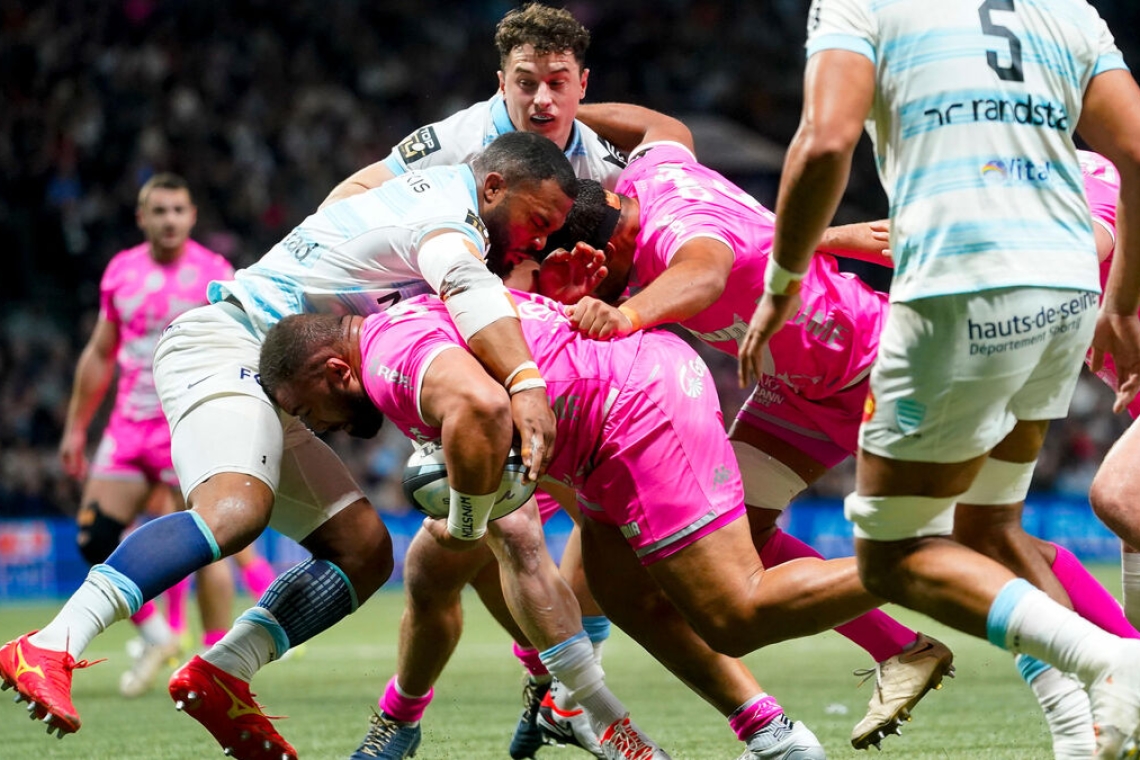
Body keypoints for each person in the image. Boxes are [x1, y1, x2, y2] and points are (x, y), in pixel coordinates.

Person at [0, 131, 572, 760]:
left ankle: (224, 671)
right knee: (234, 511)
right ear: (494, 187)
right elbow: (467, 286)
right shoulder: (447, 222)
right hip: (229, 344)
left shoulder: (423, 199)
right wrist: (526, 382)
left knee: (364, 552)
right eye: (538, 220)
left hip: (280, 372)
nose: (539, 239)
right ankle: (51, 642)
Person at [736, 1, 1140, 756]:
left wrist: (783, 279)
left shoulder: (861, 5)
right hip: (1064, 296)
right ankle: (1080, 734)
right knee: (989, 531)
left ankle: (1116, 658)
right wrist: (1118, 300)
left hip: (962, 291)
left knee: (894, 554)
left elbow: (824, 145)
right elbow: (1139, 150)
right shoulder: (1068, 10)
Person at [257, 292, 909, 760]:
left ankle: (920, 562)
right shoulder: (406, 319)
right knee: (625, 593)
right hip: (615, 414)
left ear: (332, 371)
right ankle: (771, 735)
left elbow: (482, 406)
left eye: (304, 410)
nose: (318, 426)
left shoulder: (388, 362)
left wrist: (463, 518)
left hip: (638, 413)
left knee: (734, 610)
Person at [534, 105, 953, 750]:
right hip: (800, 392)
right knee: (741, 545)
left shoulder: (680, 233)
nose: (602, 289)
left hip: (880, 366)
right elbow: (663, 127)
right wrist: (568, 113)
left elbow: (706, 272)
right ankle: (905, 650)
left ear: (610, 243)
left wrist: (625, 317)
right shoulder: (652, 173)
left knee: (995, 538)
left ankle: (1106, 653)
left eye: (599, 274)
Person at [320, 6, 637, 757]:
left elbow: (654, 249)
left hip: (562, 368)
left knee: (448, 566)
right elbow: (347, 201)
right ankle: (568, 699)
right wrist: (391, 314)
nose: (542, 101)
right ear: (502, 81)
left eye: (558, 83)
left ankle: (426, 711)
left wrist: (603, 301)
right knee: (516, 530)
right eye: (525, 83)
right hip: (462, 364)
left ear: (581, 84)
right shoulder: (455, 143)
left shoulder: (607, 165)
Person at [57, 172, 239, 697]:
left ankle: (219, 663)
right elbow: (100, 352)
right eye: (158, 211)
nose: (169, 220)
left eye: (178, 210)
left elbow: (232, 344)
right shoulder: (121, 272)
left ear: (192, 216)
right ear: (142, 218)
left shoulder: (214, 273)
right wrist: (75, 427)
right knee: (93, 537)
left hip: (187, 421)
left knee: (213, 542)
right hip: (128, 427)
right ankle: (159, 636)